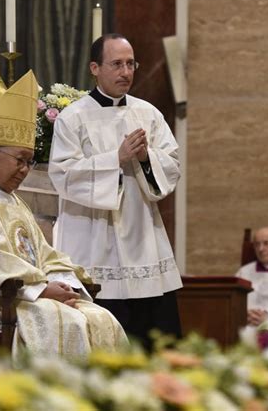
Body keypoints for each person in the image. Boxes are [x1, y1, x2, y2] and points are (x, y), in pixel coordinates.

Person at [0, 69, 127, 361]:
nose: (25, 170)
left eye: (30, 161)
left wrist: (66, 281)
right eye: (20, 160)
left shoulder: (12, 201)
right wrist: (40, 288)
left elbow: (42, 253)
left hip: (20, 295)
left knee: (100, 318)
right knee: (71, 323)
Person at [48, 33, 183, 348]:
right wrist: (116, 159)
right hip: (95, 242)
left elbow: (173, 164)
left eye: (131, 64)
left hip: (144, 240)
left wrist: (146, 157)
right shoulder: (73, 117)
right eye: (117, 64)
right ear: (95, 68)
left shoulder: (148, 114)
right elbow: (63, 175)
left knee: (155, 345)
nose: (126, 72)